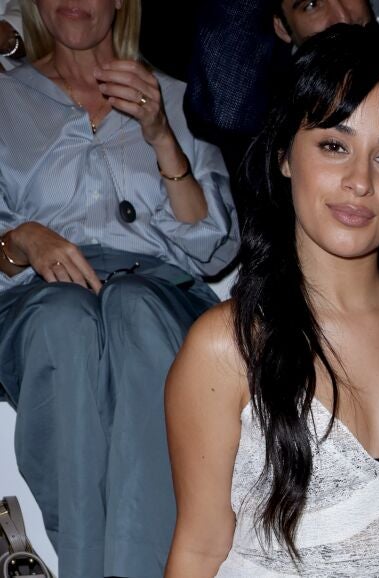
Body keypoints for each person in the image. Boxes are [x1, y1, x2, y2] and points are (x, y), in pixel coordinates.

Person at [164, 24, 379, 576]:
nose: (360, 181)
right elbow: (199, 548)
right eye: (334, 145)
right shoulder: (226, 346)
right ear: (285, 155)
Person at [0, 0, 238, 575]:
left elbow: (215, 246)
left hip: (160, 290)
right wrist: (24, 239)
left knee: (133, 306)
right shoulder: (5, 101)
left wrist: (161, 136)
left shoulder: (175, 97)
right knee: (64, 319)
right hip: (39, 300)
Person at [185, 0, 375, 182]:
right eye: (311, 5)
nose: (343, 17)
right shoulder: (278, 116)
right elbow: (222, 111)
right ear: (282, 28)